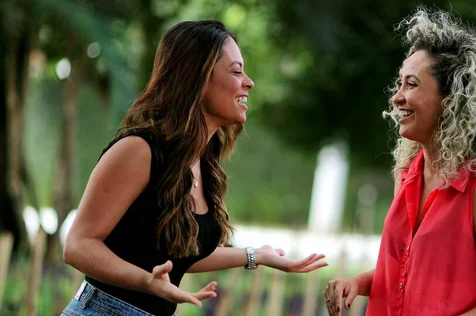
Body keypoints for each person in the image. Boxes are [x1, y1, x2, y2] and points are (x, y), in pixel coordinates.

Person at [61, 20, 327, 316]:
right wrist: (145, 281)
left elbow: (180, 252)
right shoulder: (139, 149)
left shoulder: (201, 160)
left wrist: (257, 255)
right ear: (198, 78)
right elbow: (78, 245)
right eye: (237, 71)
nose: (248, 82)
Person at [324, 7, 476, 316]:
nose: (396, 97)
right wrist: (359, 282)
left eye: (411, 84)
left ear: (452, 99)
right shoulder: (408, 173)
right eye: (399, 84)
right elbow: (406, 275)